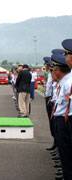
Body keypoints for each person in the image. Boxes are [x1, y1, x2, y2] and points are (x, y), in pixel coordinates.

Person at [50, 52, 72, 180]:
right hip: (61, 119)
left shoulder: (67, 83)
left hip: (65, 120)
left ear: (58, 71)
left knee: (67, 153)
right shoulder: (65, 82)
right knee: (65, 153)